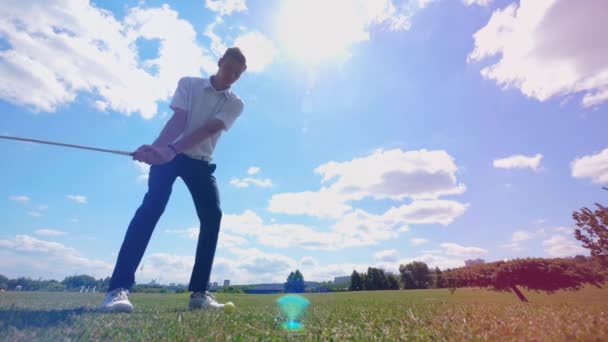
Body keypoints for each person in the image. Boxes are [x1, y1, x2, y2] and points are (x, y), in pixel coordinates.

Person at [100, 47, 247, 313]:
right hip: (169, 157)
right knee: (150, 210)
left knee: (212, 216)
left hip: (199, 162)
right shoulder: (189, 84)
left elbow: (209, 129)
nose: (231, 76)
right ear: (219, 63)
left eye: (237, 74)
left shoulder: (235, 103)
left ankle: (199, 294)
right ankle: (117, 289)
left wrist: (171, 150)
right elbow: (178, 120)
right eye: (228, 69)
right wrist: (155, 150)